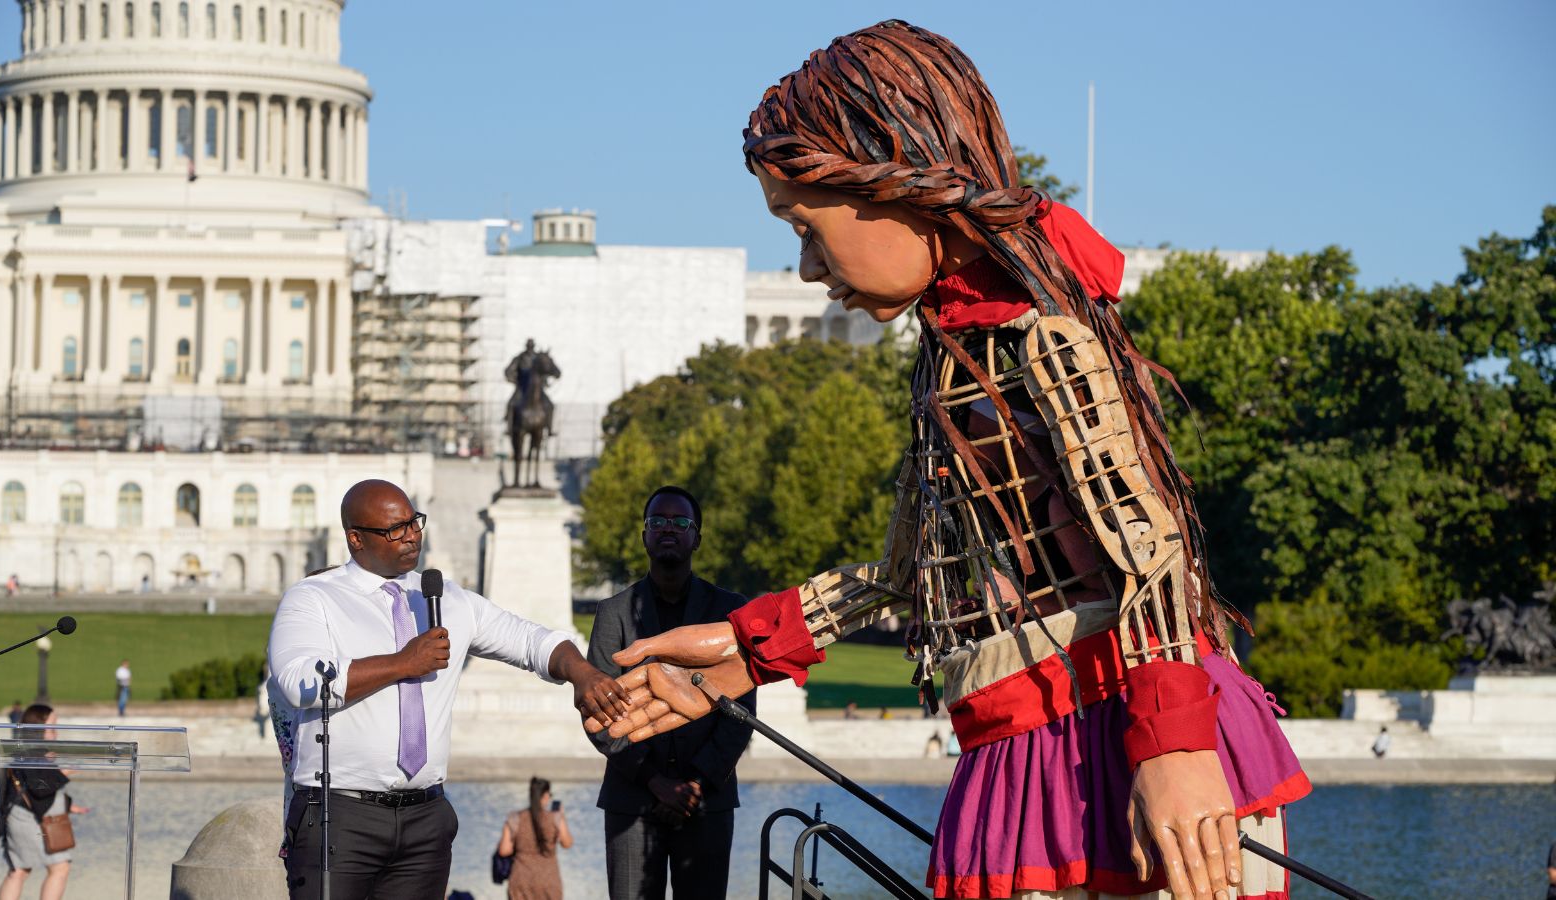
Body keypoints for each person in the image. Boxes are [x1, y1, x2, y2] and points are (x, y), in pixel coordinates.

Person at [588, 21, 1308, 900]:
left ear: (890, 177)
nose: (808, 265)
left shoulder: (1038, 334)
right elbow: (909, 572)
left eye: (807, 225)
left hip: (1108, 740)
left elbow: (1149, 543)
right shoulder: (953, 352)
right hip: (1027, 740)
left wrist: (1176, 742)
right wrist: (745, 649)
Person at [267, 479, 627, 900]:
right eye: (394, 529)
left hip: (425, 820)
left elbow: (534, 641)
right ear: (355, 539)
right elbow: (300, 681)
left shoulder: (448, 599)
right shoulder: (314, 599)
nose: (411, 537)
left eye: (413, 523)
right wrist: (406, 662)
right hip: (339, 816)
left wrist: (581, 673)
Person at [586, 486, 754, 900]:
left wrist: (695, 782)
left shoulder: (730, 613)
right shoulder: (613, 613)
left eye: (681, 523)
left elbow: (741, 712)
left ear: (697, 538)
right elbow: (597, 710)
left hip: (708, 801)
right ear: (643, 535)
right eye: (657, 521)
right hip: (632, 800)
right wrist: (654, 781)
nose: (668, 529)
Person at [0, 704, 90, 900]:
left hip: (22, 815)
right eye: (51, 727)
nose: (55, 732)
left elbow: (34, 790)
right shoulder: (31, 753)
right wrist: (64, 772)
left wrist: (67, 805)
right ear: (37, 727)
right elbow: (40, 788)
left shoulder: (27, 751)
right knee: (59, 867)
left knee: (19, 870)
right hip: (28, 818)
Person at [496, 776, 572, 900]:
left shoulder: (515, 818)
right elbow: (567, 843)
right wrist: (561, 816)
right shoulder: (555, 819)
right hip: (548, 880)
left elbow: (504, 850)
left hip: (521, 879)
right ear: (546, 796)